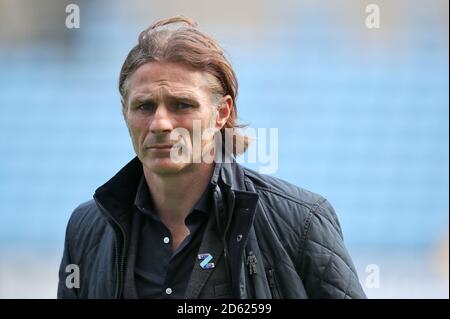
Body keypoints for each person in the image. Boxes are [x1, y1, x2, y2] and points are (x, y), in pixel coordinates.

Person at [57, 16, 366, 299]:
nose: (161, 124)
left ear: (221, 113)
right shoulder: (87, 228)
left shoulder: (300, 222)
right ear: (125, 112)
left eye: (181, 105)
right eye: (144, 106)